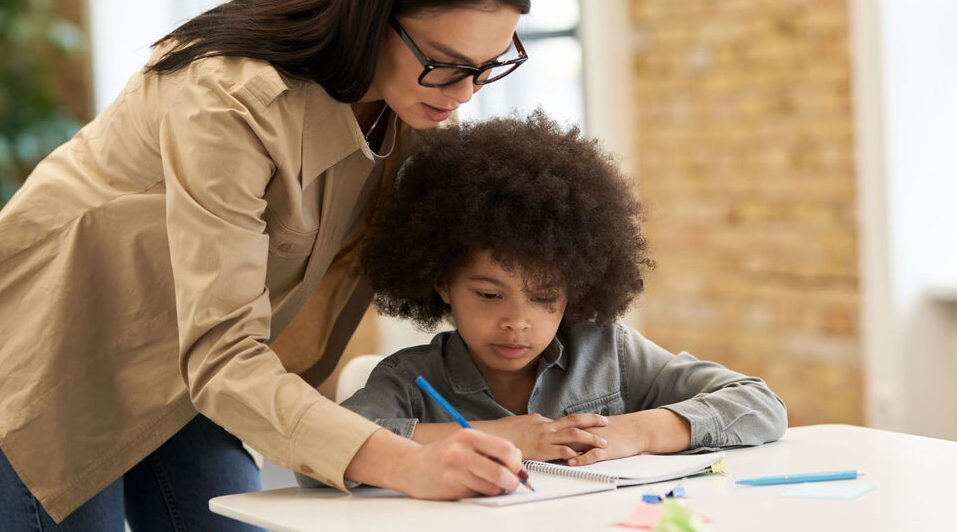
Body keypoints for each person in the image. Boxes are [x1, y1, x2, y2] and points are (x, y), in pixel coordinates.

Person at [0, 0, 534, 530]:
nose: (465, 93)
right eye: (445, 63)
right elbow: (224, 356)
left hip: (187, 348)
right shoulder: (230, 101)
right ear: (377, 13)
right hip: (60, 327)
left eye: (489, 66)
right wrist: (408, 463)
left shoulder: (415, 106)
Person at [297, 111, 787, 489]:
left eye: (545, 298)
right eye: (490, 294)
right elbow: (317, 454)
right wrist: (503, 437)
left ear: (576, 288)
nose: (517, 322)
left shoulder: (607, 355)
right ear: (442, 282)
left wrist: (639, 431)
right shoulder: (413, 380)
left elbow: (761, 406)